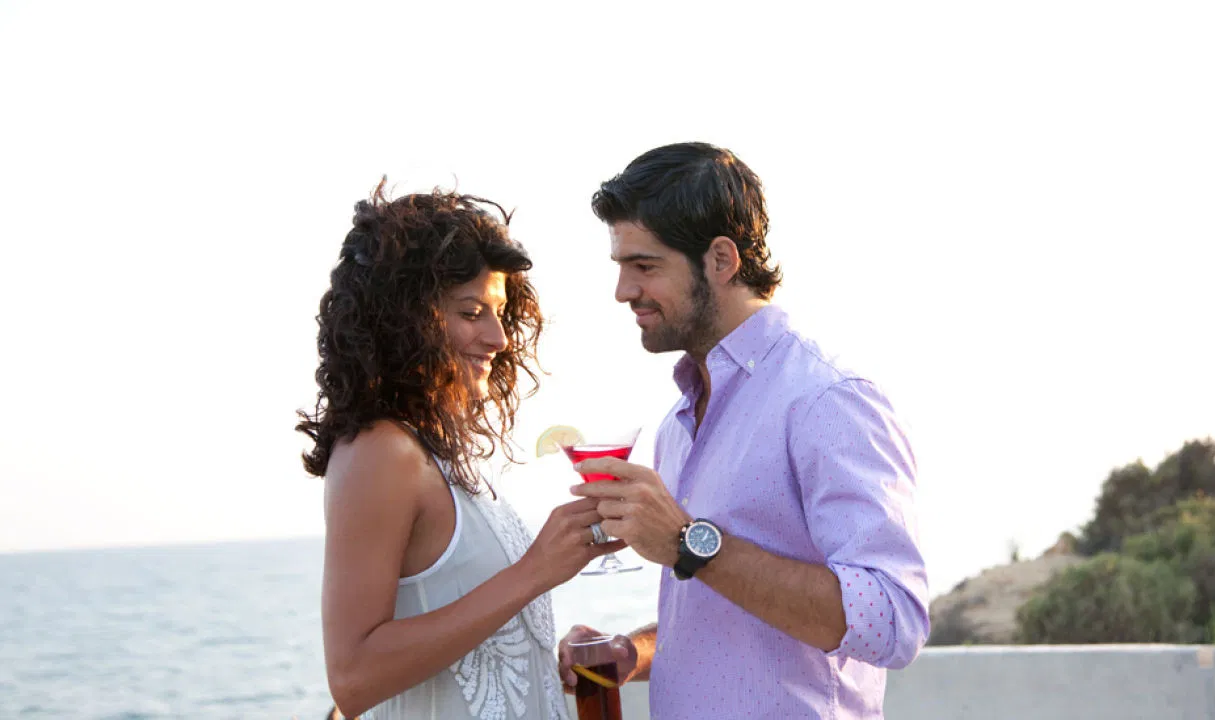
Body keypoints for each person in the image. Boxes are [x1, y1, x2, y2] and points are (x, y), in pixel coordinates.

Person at [557, 143, 930, 719]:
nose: (623, 291)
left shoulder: (827, 400)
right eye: (621, 267)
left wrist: (688, 543)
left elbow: (892, 619)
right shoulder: (678, 424)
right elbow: (729, 611)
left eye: (645, 266)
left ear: (721, 260)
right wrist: (637, 650)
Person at [299, 179, 623, 720]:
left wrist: (538, 657)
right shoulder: (381, 452)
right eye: (471, 313)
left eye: (499, 312)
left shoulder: (440, 453)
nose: (499, 338)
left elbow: (468, 638)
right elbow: (353, 678)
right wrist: (535, 571)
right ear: (405, 320)